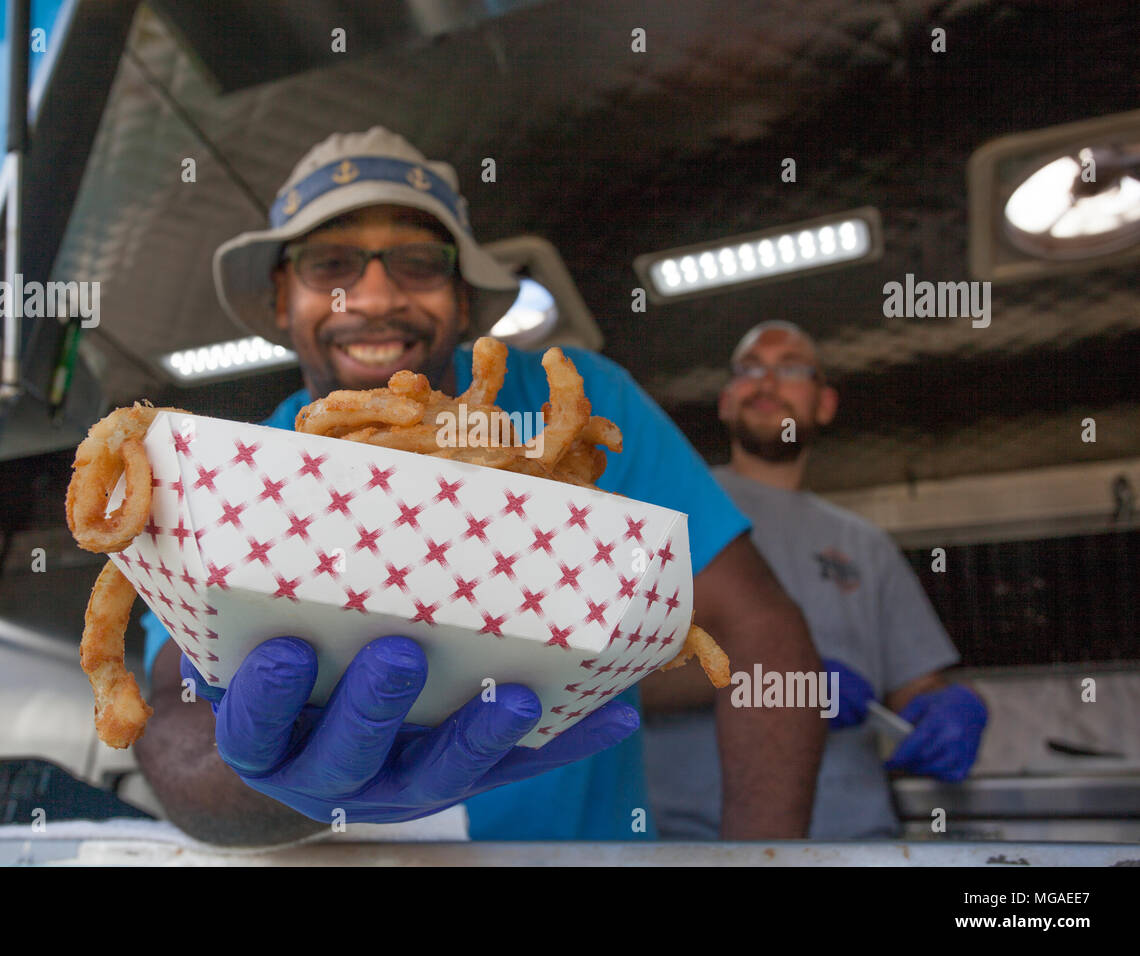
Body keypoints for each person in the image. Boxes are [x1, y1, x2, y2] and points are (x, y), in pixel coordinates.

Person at [133, 128, 826, 845]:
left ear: (463, 299)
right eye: (331, 263)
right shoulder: (232, 468)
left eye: (419, 263)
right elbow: (171, 718)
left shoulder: (579, 405)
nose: (374, 296)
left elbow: (758, 631)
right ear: (283, 297)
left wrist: (759, 864)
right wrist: (273, 777)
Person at [642, 320, 988, 840]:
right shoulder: (666, 511)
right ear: (726, 400)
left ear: (825, 403)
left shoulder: (866, 544)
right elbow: (613, 676)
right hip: (696, 843)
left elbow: (914, 686)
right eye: (750, 369)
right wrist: (784, 679)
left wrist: (950, 706)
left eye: (791, 369)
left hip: (859, 840)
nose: (767, 382)